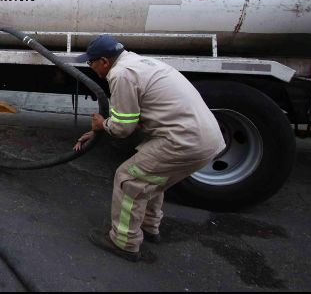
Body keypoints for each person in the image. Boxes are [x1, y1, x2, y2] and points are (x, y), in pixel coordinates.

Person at [73, 35, 225, 262]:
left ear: (104, 61)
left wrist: (102, 124)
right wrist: (100, 130)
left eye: (91, 63)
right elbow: (134, 117)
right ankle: (148, 227)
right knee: (152, 179)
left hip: (183, 140)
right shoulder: (140, 63)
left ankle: (124, 242)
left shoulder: (121, 74)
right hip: (207, 139)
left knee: (129, 178)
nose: (91, 68)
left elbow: (124, 128)